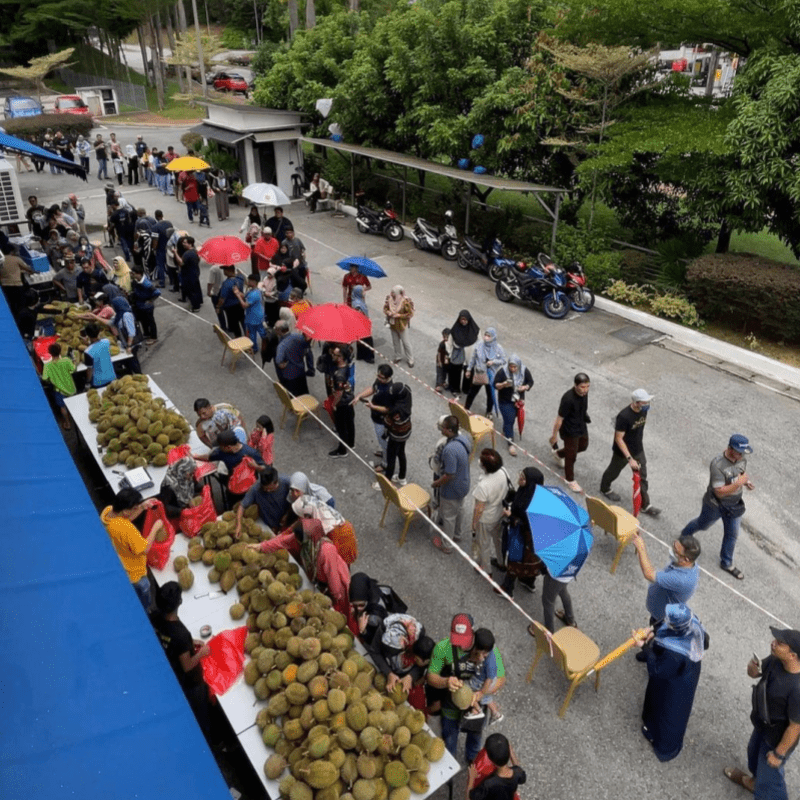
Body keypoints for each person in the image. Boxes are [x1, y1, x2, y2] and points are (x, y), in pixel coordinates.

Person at [724, 627, 800, 798]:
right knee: (753, 754)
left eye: (780, 643)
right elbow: (754, 673)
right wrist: (752, 667)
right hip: (761, 725)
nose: (773, 644)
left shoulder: (797, 689)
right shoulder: (776, 660)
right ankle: (754, 782)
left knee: (771, 780)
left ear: (792, 655)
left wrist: (778, 754)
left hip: (775, 740)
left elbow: (795, 727)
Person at [632, 603, 707, 762]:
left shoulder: (674, 654)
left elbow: (657, 670)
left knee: (666, 708)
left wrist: (644, 646)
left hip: (673, 684)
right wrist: (652, 630)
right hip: (686, 674)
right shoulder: (692, 624)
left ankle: (656, 737)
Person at [681, 434, 754, 581]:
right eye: (739, 452)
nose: (741, 456)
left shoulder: (741, 459)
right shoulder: (718, 465)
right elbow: (719, 492)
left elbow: (740, 473)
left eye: (743, 453)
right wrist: (739, 483)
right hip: (715, 505)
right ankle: (684, 536)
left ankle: (726, 563)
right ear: (730, 448)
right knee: (702, 524)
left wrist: (746, 482)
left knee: (732, 535)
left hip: (734, 506)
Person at [149, 581, 214, 740]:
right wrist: (201, 653)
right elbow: (187, 666)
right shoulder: (181, 633)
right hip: (189, 683)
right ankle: (208, 740)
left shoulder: (154, 617)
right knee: (200, 713)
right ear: (179, 603)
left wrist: (190, 644)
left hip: (169, 669)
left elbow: (169, 639)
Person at [428, 614, 494, 763]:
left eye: (465, 641)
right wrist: (446, 681)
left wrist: (480, 693)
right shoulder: (443, 648)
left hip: (475, 706)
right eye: (457, 640)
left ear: (473, 633)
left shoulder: (486, 648)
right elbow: (431, 677)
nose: (461, 646)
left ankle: (472, 760)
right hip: (450, 705)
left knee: (475, 735)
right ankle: (450, 762)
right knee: (450, 737)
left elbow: (499, 680)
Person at [250, 518, 351, 615]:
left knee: (342, 607)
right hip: (320, 578)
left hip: (338, 579)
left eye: (299, 540)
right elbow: (281, 542)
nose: (296, 541)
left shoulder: (327, 550)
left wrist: (336, 596)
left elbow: (333, 577)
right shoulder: (302, 537)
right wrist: (261, 546)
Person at [632, 531, 701, 661]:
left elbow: (649, 574)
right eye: (674, 545)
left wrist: (641, 548)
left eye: (676, 552)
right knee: (654, 630)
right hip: (659, 611)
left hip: (663, 617)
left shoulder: (681, 579)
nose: (672, 551)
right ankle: (649, 650)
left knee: (657, 638)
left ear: (686, 559)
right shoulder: (688, 564)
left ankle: (651, 656)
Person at [100, 488, 163, 610]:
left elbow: (124, 518)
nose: (136, 509)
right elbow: (144, 548)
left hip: (120, 562)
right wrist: (155, 528)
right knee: (144, 593)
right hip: (134, 574)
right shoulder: (126, 529)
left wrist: (142, 507)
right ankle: (146, 611)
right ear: (126, 510)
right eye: (134, 508)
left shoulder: (107, 511)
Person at [600, 388, 660, 516]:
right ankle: (605, 488)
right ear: (637, 402)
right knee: (613, 471)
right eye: (645, 402)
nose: (648, 405)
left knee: (642, 476)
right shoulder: (624, 416)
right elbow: (618, 438)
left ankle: (645, 505)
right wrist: (629, 458)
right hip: (623, 452)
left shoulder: (643, 411)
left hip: (638, 448)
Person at [499, 467, 544, 596]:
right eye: (521, 474)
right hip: (536, 542)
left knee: (515, 559)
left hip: (523, 538)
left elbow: (526, 524)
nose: (519, 478)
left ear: (530, 483)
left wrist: (510, 516)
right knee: (530, 561)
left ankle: (507, 589)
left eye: (523, 478)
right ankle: (528, 581)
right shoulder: (533, 494)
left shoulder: (529, 505)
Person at [432, 415, 472, 554]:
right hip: (464, 483)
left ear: (449, 430)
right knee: (459, 509)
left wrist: (436, 483)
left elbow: (449, 475)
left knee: (448, 516)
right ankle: (457, 535)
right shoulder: (464, 440)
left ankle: (447, 545)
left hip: (452, 489)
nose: (441, 430)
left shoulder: (449, 450)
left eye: (443, 428)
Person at [550, 372, 592, 493]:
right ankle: (570, 480)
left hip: (581, 424)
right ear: (575, 385)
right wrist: (554, 436)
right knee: (571, 456)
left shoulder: (585, 394)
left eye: (587, 386)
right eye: (582, 387)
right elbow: (559, 419)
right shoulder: (568, 398)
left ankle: (559, 454)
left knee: (583, 446)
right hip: (570, 429)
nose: (585, 390)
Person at [471, 449, 512, 573]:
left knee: (483, 544)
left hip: (485, 519)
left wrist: (474, 524)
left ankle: (486, 568)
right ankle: (501, 562)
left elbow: (479, 508)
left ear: (485, 466)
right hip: (499, 514)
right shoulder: (503, 471)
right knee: (497, 540)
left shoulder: (484, 485)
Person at [193, 429, 265, 495]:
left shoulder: (251, 453)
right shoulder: (222, 452)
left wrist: (255, 466)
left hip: (250, 487)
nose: (219, 448)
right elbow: (209, 457)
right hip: (232, 486)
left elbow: (265, 468)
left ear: (229, 447)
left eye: (220, 446)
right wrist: (195, 456)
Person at [369, 382, 412, 486]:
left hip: (396, 435)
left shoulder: (397, 410)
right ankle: (402, 477)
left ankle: (386, 483)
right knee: (401, 453)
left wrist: (374, 407)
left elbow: (388, 421)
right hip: (406, 431)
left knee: (391, 457)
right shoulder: (407, 394)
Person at [493, 355, 533, 457]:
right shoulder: (503, 371)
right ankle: (511, 443)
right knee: (510, 420)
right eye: (511, 367)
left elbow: (530, 381)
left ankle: (506, 429)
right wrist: (503, 384)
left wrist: (524, 387)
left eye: (515, 367)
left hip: (517, 400)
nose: (513, 369)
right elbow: (494, 384)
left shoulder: (523, 370)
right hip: (505, 400)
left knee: (512, 418)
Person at [467, 733, 526, 800]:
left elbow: (469, 798)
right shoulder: (518, 773)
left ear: (490, 760)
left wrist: (471, 779)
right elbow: (520, 775)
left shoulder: (488, 784)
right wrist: (512, 753)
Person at [236, 467, 292, 534]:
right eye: (265, 489)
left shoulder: (287, 483)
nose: (267, 491)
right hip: (269, 523)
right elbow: (242, 506)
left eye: (270, 489)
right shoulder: (256, 488)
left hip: (287, 519)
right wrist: (238, 525)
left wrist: (287, 514)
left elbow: (296, 500)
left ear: (276, 482)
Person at [465, 328, 506, 417]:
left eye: (489, 336)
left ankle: (489, 412)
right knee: (472, 391)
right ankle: (466, 408)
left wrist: (493, 362)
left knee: (490, 394)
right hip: (480, 373)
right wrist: (469, 369)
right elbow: (473, 358)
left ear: (493, 337)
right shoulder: (479, 345)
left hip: (491, 375)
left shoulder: (498, 348)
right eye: (485, 335)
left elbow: (503, 360)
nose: (486, 337)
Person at [41, 342, 76, 429]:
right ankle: (76, 420)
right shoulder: (66, 360)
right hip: (71, 388)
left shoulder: (47, 366)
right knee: (74, 404)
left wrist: (50, 378)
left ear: (50, 353)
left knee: (62, 407)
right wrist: (74, 362)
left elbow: (44, 378)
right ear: (60, 351)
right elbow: (73, 369)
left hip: (60, 391)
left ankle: (68, 424)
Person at [447, 310, 480, 396]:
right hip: (458, 354)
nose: (463, 321)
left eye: (465, 319)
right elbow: (449, 342)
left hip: (470, 355)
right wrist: (448, 354)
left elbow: (480, 343)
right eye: (461, 319)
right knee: (456, 372)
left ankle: (466, 389)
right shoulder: (455, 329)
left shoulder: (475, 329)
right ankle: (455, 389)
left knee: (468, 372)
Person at [275, 328, 315, 397]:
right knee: (304, 394)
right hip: (300, 372)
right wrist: (311, 368)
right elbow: (308, 353)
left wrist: (283, 364)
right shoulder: (298, 337)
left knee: (293, 397)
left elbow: (278, 360)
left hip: (289, 375)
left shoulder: (281, 346)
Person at [383, 285, 415, 367]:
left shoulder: (405, 302)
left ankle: (410, 359)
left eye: (393, 292)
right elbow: (385, 309)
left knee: (406, 342)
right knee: (395, 341)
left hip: (402, 325)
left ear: (397, 293)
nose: (391, 293)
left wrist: (399, 315)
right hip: (393, 324)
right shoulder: (389, 299)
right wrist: (388, 313)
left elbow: (410, 314)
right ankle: (398, 356)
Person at [329, 370, 356, 459]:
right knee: (350, 423)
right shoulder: (345, 370)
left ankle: (342, 450)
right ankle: (351, 444)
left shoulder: (338, 376)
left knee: (341, 427)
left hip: (342, 405)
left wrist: (334, 404)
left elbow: (339, 393)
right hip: (349, 402)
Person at [129, 265, 160, 343]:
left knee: (150, 321)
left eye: (133, 273)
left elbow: (157, 292)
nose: (132, 275)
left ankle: (153, 337)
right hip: (139, 305)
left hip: (147, 307)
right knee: (143, 321)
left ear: (139, 274)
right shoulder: (136, 281)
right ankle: (147, 333)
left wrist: (150, 300)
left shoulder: (146, 283)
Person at [0, 246, 34, 316]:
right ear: (11, 252)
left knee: (10, 304)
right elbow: (27, 268)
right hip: (17, 285)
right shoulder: (16, 259)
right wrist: (31, 271)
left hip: (5, 286)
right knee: (20, 305)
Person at [81, 323, 116, 388]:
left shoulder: (87, 352)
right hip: (111, 376)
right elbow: (98, 346)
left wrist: (88, 382)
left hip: (98, 381)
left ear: (87, 335)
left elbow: (89, 370)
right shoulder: (107, 342)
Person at [236, 273, 265, 348]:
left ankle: (254, 348)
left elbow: (244, 305)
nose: (248, 282)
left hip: (253, 317)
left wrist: (238, 296)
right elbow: (245, 296)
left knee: (252, 333)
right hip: (258, 315)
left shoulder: (254, 294)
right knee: (261, 331)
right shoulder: (254, 291)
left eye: (250, 280)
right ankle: (267, 344)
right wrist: (239, 293)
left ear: (254, 282)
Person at [175, 236, 203, 312]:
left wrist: (175, 253)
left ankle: (195, 307)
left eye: (185, 242)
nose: (183, 244)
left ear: (190, 244)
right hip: (195, 272)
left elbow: (181, 263)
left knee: (191, 291)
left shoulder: (187, 254)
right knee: (196, 289)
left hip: (189, 275)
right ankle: (199, 302)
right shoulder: (195, 251)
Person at [216, 265, 245, 337]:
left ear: (228, 271)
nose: (223, 272)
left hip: (230, 308)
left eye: (224, 270)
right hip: (240, 304)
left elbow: (222, 298)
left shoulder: (226, 284)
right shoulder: (240, 278)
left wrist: (218, 307)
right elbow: (241, 274)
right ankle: (248, 337)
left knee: (235, 325)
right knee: (243, 321)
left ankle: (239, 340)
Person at [350, 285, 374, 363]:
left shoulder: (359, 300)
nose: (364, 292)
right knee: (367, 340)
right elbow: (359, 315)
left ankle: (360, 356)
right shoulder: (357, 304)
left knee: (361, 340)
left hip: (362, 324)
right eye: (363, 291)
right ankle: (368, 357)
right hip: (362, 325)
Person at [152, 210, 174, 288]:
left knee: (160, 265)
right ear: (162, 215)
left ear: (156, 216)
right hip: (169, 248)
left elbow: (155, 240)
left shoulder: (155, 227)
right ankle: (172, 281)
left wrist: (154, 249)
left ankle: (162, 282)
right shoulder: (169, 223)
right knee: (169, 264)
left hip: (160, 249)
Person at [435, 328, 450, 393]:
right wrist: (439, 361)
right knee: (439, 373)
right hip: (441, 361)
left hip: (447, 363)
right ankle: (438, 385)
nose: (446, 338)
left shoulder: (450, 345)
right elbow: (438, 353)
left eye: (447, 337)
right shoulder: (442, 344)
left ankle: (443, 382)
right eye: (444, 337)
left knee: (444, 373)